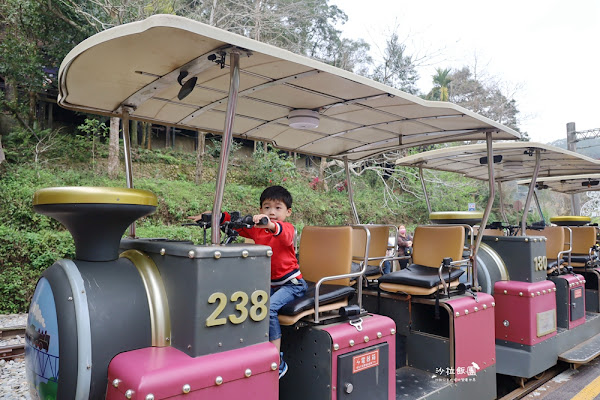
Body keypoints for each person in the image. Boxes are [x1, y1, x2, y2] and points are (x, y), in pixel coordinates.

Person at [189, 185, 307, 379]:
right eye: (267, 207)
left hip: (291, 285)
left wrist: (268, 223)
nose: (272, 212)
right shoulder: (257, 231)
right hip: (268, 284)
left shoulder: (287, 229)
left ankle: (277, 361)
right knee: (246, 305)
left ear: (288, 212)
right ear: (260, 210)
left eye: (278, 208)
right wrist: (215, 217)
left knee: (267, 309)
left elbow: (281, 232)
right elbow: (237, 224)